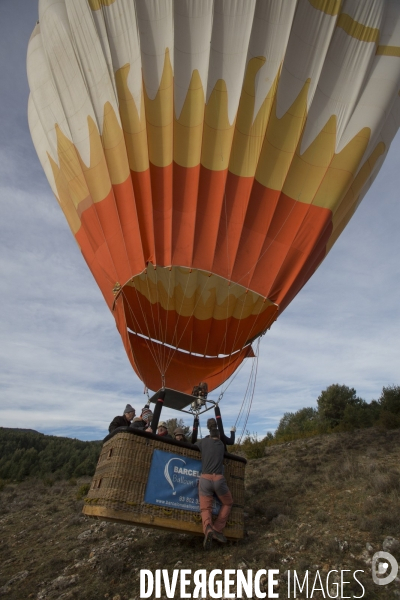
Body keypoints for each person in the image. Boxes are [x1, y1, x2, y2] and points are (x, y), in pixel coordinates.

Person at [195, 427, 233, 550]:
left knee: (205, 507)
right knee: (227, 503)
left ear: (210, 435)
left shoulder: (204, 442)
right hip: (218, 479)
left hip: (205, 478)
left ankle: (208, 528)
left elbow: (194, 444)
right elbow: (229, 442)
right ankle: (217, 528)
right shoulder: (221, 445)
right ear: (219, 436)